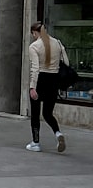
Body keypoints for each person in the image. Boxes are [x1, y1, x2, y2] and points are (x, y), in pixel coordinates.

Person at [26, 22, 68, 153]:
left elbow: (35, 68)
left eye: (33, 34)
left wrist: (33, 87)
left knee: (35, 113)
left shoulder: (34, 46)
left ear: (35, 32)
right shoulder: (58, 43)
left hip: (41, 80)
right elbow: (66, 63)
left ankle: (36, 143)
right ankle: (58, 134)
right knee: (48, 113)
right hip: (54, 80)